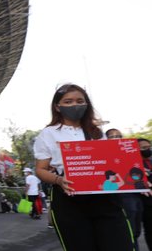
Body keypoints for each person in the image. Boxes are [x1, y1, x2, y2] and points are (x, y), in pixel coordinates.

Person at [34, 83, 133, 251]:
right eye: (68, 101)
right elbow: (41, 169)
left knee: (119, 243)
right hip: (69, 198)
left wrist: (135, 182)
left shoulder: (96, 132)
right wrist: (58, 180)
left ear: (87, 104)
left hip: (104, 198)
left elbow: (110, 164)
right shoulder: (49, 133)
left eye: (80, 101)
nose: (75, 105)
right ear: (58, 107)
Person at [106, 129, 142, 251]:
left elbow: (136, 173)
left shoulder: (130, 152)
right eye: (112, 136)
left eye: (118, 136)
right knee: (128, 230)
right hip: (116, 196)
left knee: (136, 229)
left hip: (133, 195)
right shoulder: (104, 154)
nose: (116, 138)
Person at [139, 138, 152, 250]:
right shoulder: (135, 164)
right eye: (143, 148)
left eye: (148, 147)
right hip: (146, 203)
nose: (147, 150)